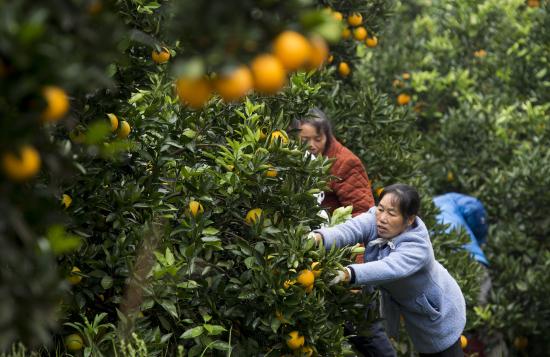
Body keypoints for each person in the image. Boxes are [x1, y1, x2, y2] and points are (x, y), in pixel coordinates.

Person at [311, 184, 466, 357]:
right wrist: (316, 238)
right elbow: (348, 230)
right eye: (380, 209)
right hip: (412, 308)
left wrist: (347, 274)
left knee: (440, 352)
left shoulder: (418, 247)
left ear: (409, 220)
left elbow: (389, 267)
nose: (382, 218)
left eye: (391, 213)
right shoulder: (374, 219)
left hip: (440, 310)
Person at [296, 108, 395, 357]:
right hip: (319, 261)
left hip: (347, 263)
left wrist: (356, 274)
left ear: (327, 135)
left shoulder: (344, 162)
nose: (311, 145)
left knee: (367, 333)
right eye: (305, 139)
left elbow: (364, 218)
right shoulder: (300, 162)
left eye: (317, 139)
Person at [433, 192, 491, 304]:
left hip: (439, 267)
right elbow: (474, 208)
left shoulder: (413, 217)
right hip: (471, 259)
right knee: (478, 308)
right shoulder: (449, 199)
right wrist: (480, 237)